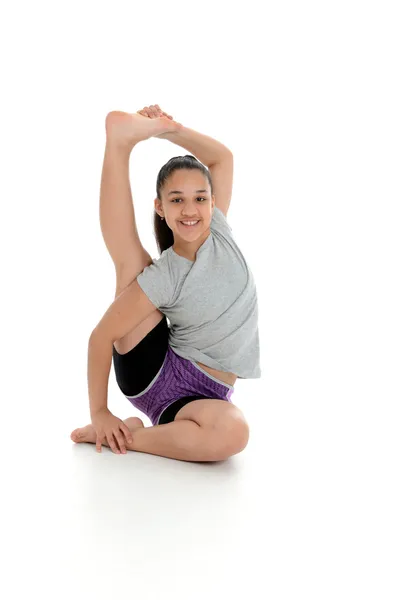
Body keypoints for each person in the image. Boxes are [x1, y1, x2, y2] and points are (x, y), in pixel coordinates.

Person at [70, 104, 261, 462]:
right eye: (177, 200)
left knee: (231, 427)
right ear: (160, 208)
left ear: (213, 202)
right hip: (157, 380)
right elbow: (100, 337)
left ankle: (133, 435)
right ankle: (119, 144)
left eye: (199, 199)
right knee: (131, 264)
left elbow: (222, 158)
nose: (190, 210)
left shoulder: (218, 230)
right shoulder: (166, 275)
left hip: (210, 395)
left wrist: (166, 129)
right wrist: (100, 411)